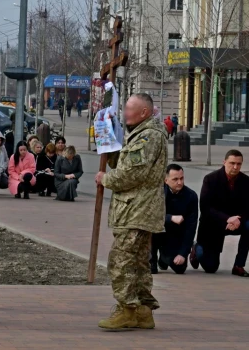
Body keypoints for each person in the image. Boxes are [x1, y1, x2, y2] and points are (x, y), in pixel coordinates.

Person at [95, 92, 168, 332]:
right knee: (137, 263)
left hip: (137, 210)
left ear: (144, 112)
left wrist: (106, 179)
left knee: (120, 261)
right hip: (136, 210)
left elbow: (132, 174)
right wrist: (110, 142)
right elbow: (125, 164)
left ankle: (127, 309)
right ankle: (143, 311)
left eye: (129, 109)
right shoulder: (139, 134)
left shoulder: (148, 137)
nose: (125, 113)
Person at [191, 149, 249, 277]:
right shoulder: (210, 179)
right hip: (213, 223)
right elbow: (205, 208)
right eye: (232, 163)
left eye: (239, 164)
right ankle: (196, 249)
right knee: (211, 267)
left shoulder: (245, 180)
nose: (235, 167)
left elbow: (247, 207)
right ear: (224, 162)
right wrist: (227, 219)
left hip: (235, 222)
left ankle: (239, 265)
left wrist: (238, 219)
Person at [152, 163, 197, 274]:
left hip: (176, 235)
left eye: (181, 178)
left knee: (180, 268)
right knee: (151, 270)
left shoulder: (191, 196)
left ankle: (164, 258)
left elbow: (191, 227)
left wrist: (183, 253)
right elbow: (150, 215)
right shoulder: (157, 193)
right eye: (175, 179)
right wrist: (170, 218)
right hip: (156, 234)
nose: (179, 182)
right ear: (165, 180)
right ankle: (151, 258)